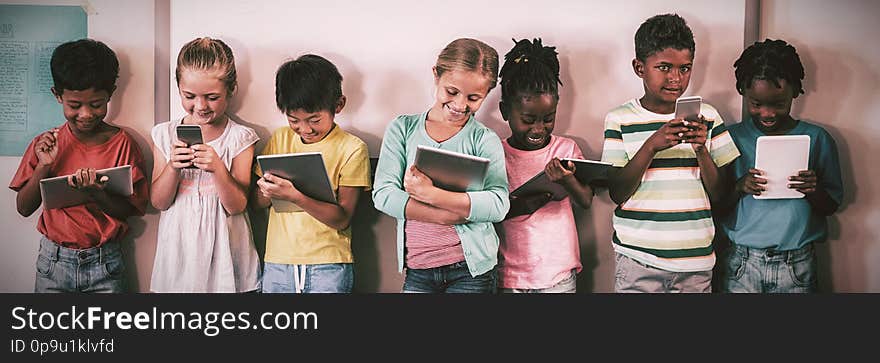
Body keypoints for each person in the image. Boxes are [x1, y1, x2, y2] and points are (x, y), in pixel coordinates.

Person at [600, 14, 741, 293]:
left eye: (685, 68)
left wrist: (701, 150)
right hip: (638, 259)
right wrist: (651, 145)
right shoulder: (620, 119)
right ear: (639, 68)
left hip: (695, 262)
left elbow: (720, 195)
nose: (676, 78)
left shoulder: (708, 116)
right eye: (664, 67)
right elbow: (616, 192)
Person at [9, 38, 149, 293]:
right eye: (75, 105)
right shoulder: (46, 144)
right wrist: (44, 167)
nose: (85, 114)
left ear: (111, 94)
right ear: (58, 95)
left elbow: (128, 210)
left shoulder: (123, 145)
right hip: (54, 262)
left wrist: (96, 193)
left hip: (105, 263)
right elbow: (23, 208)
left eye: (96, 104)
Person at [372, 38, 509, 293]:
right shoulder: (402, 129)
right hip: (419, 269)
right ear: (436, 75)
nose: (459, 105)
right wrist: (444, 215)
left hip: (471, 270)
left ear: (487, 94)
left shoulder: (484, 139)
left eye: (473, 98)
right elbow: (383, 195)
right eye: (452, 91)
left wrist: (432, 194)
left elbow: (498, 204)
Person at [719, 39, 843, 293]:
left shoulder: (817, 139)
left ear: (795, 92)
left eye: (778, 104)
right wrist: (740, 186)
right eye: (756, 104)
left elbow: (831, 205)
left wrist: (813, 189)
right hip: (743, 262)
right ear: (742, 91)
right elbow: (717, 205)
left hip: (797, 263)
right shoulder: (730, 138)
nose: (767, 113)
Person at [149, 37, 261, 293]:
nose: (200, 106)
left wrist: (219, 169)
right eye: (189, 96)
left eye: (211, 97)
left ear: (231, 89)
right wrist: (173, 168)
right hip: (179, 257)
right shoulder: (164, 134)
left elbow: (237, 206)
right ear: (178, 88)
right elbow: (158, 203)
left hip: (227, 256)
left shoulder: (240, 138)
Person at [253, 54, 371, 293]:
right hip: (278, 260)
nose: (305, 129)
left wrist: (295, 196)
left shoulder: (352, 148)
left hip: (328, 264)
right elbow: (257, 202)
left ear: (338, 105)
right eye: (294, 120)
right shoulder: (280, 139)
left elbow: (342, 218)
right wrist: (267, 191)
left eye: (314, 119)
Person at [496, 38, 593, 293]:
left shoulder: (566, 149)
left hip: (557, 275)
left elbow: (585, 200)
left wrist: (567, 180)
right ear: (505, 111)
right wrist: (520, 205)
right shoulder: (497, 153)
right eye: (528, 119)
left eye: (548, 119)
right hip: (509, 275)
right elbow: (487, 211)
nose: (539, 129)